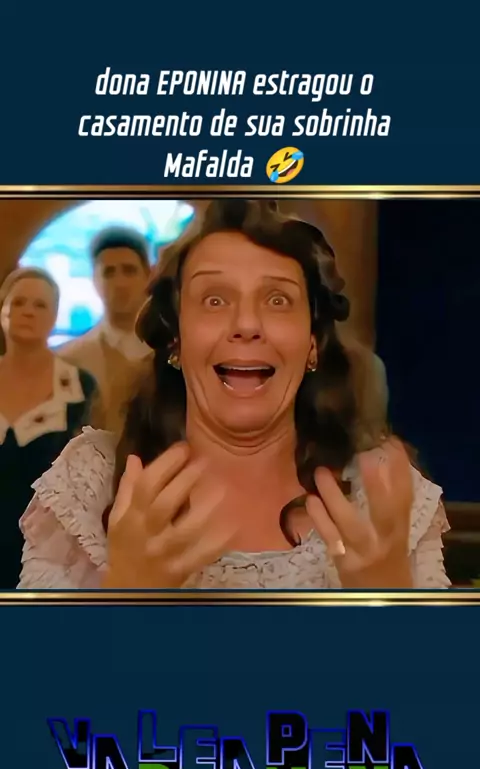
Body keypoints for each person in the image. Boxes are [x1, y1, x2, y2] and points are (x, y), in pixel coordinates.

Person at [17, 201, 449, 590]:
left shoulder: (384, 500)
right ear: (176, 341)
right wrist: (125, 594)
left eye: (277, 300)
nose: (246, 324)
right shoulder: (91, 485)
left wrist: (389, 605)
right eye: (214, 300)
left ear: (313, 343)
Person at [0, 267, 97, 588]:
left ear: (54, 315)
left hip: (51, 563)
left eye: (39, 305)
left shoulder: (81, 389)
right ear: (2, 310)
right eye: (19, 302)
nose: (28, 311)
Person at [59, 226, 152, 433]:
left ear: (148, 276)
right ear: (94, 280)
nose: (120, 283)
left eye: (129, 270)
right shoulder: (70, 360)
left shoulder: (177, 350)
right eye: (109, 272)